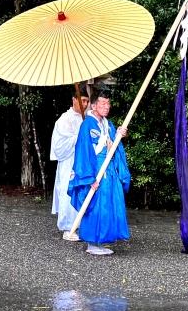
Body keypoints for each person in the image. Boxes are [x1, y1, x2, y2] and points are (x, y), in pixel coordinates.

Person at [67, 90, 130, 255]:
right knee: (96, 205)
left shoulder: (107, 124)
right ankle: (92, 243)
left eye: (108, 103)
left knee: (109, 203)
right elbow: (83, 151)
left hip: (108, 169)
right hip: (95, 170)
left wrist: (119, 136)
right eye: (102, 103)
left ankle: (101, 240)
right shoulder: (87, 124)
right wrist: (88, 178)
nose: (106, 106)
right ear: (93, 106)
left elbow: (114, 147)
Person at [51, 92, 89, 232]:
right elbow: (59, 146)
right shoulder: (64, 119)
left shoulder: (87, 118)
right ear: (74, 99)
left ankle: (82, 224)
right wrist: (79, 137)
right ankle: (68, 226)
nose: (84, 104)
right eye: (82, 100)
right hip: (69, 160)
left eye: (87, 101)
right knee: (68, 191)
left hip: (83, 161)